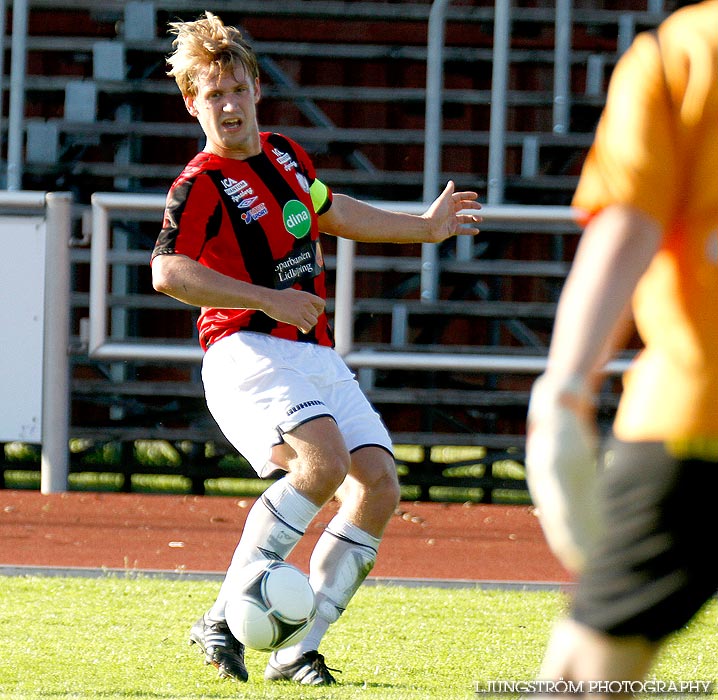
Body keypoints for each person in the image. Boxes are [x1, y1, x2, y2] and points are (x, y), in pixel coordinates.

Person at [150, 11, 482, 687]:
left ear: (256, 92)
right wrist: (267, 298)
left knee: (381, 486)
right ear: (192, 103)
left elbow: (333, 209)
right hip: (246, 347)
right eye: (213, 94)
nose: (230, 104)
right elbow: (166, 271)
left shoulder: (285, 155)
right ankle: (222, 614)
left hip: (312, 351)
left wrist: (423, 228)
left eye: (238, 89)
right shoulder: (200, 183)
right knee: (323, 461)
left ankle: (297, 650)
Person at [524, 0, 718, 692]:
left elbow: (628, 228)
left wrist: (566, 389)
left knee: (585, 677)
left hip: (697, 418)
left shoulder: (688, 48)